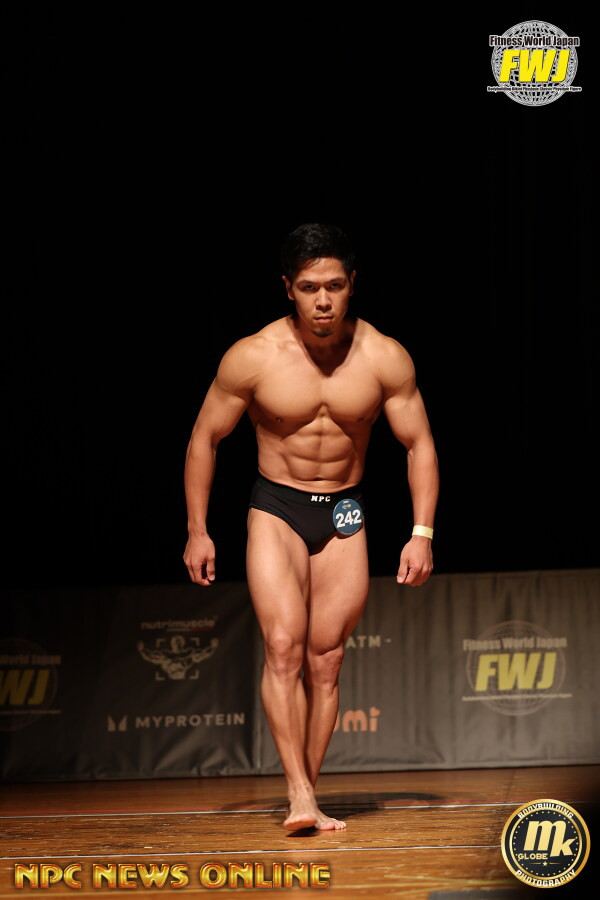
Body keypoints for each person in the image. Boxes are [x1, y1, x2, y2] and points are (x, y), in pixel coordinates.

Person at [183, 223, 439, 831]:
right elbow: (204, 439)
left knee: (326, 660)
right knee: (282, 646)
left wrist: (422, 532)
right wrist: (197, 529)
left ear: (352, 284)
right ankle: (299, 795)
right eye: (308, 288)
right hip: (277, 506)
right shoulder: (253, 356)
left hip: (345, 511)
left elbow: (419, 444)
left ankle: (308, 795)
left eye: (334, 286)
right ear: (287, 288)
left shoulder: (384, 357)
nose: (322, 301)